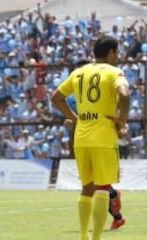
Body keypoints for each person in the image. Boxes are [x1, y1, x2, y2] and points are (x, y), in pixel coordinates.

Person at [51, 35, 130, 240]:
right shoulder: (114, 72)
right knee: (103, 188)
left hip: (82, 138)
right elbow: (124, 94)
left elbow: (56, 97)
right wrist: (121, 121)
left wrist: (74, 118)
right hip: (103, 138)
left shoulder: (79, 72)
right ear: (112, 52)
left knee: (87, 188)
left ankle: (84, 235)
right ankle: (95, 238)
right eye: (117, 52)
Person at [65, 59, 127, 231]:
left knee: (95, 186)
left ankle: (114, 207)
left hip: (102, 138)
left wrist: (120, 126)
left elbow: (109, 110)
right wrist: (72, 122)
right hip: (85, 139)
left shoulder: (102, 83)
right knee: (95, 185)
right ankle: (115, 205)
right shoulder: (74, 97)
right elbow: (78, 117)